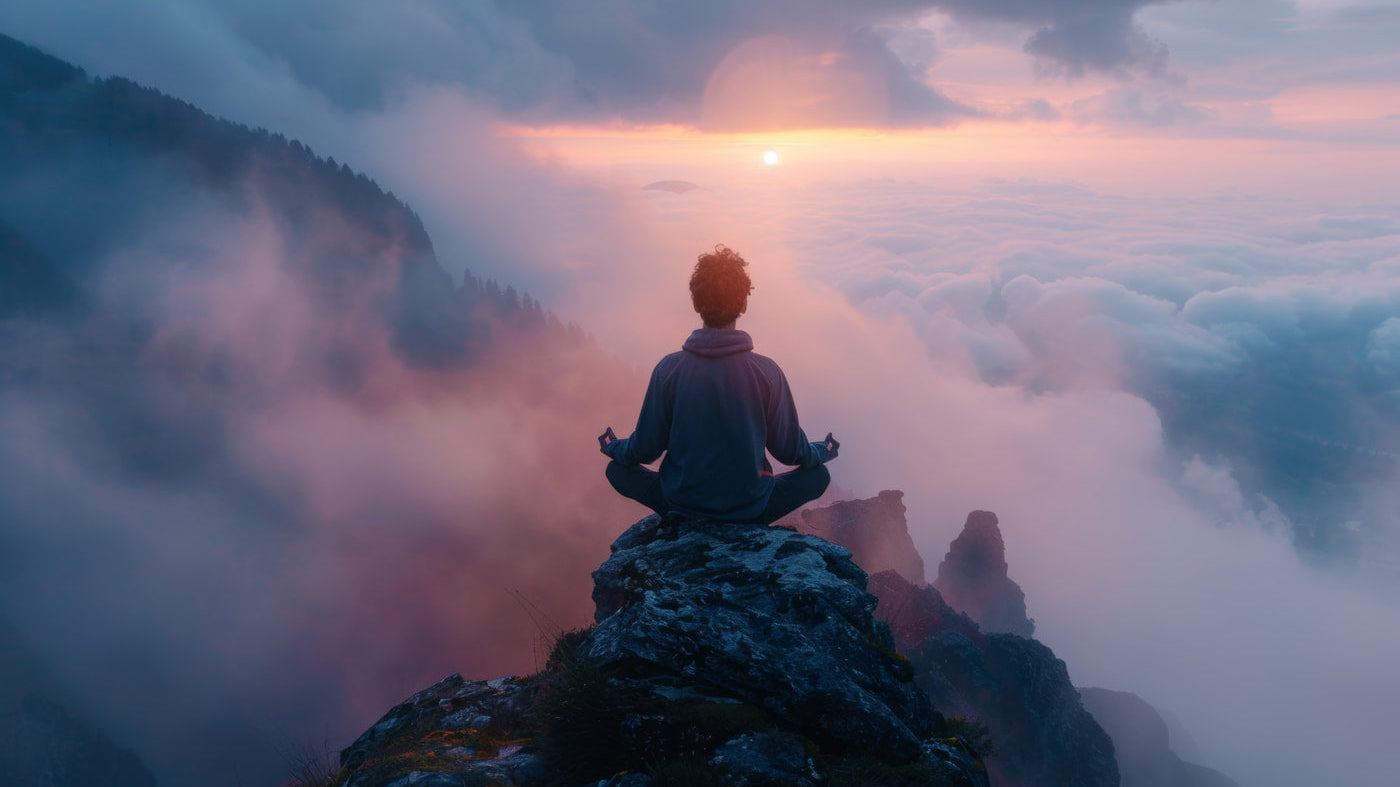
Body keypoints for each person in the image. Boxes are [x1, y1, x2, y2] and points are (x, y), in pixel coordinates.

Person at [599, 245, 839, 524]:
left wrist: (613, 447)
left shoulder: (669, 370)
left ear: (696, 304)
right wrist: (822, 450)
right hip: (750, 507)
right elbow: (790, 451)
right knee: (818, 476)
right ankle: (742, 519)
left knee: (616, 471)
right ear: (743, 304)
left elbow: (644, 450)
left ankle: (685, 516)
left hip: (681, 504)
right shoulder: (767, 372)